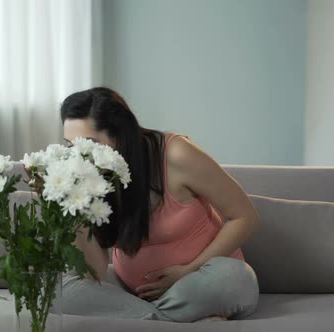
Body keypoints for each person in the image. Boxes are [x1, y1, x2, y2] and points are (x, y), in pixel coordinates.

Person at [59, 87, 260, 322]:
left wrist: (188, 270)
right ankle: (171, 321)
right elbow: (96, 273)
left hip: (199, 282)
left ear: (119, 136)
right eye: (71, 146)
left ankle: (142, 320)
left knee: (235, 279)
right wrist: (75, 210)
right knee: (57, 291)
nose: (79, 157)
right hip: (132, 291)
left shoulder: (175, 154)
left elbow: (245, 217)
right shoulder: (89, 179)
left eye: (89, 144)